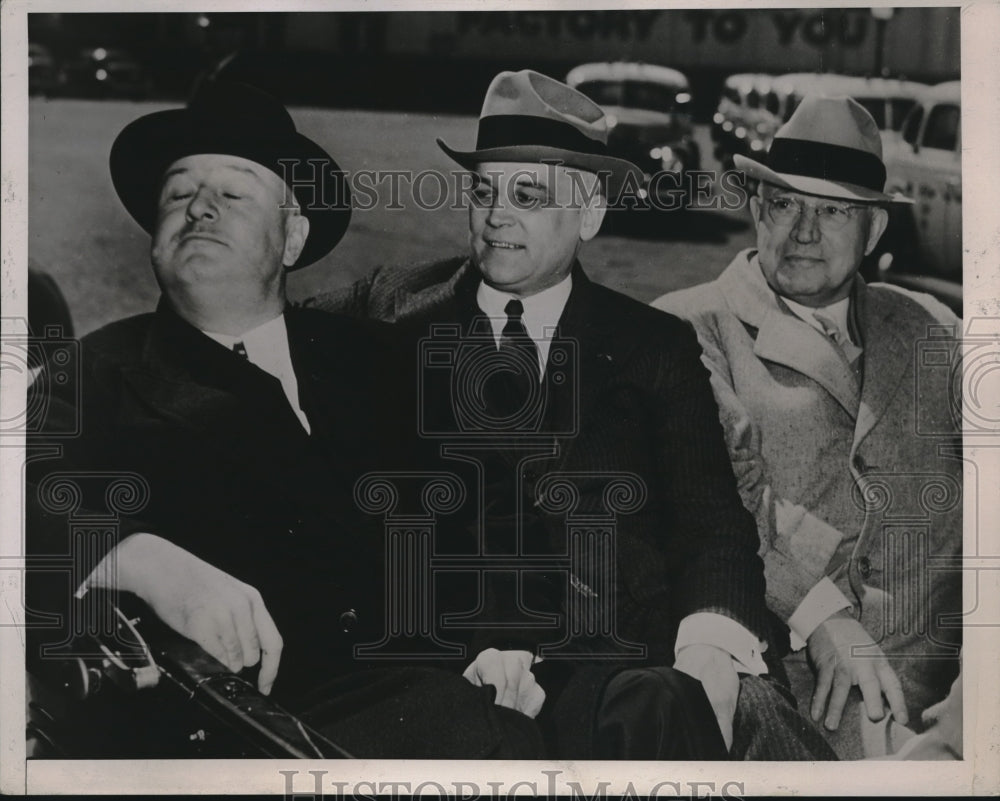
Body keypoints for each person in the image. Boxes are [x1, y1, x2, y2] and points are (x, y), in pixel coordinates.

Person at [310, 69, 836, 760]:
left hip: (631, 674)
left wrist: (710, 642)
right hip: (448, 673)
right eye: (484, 190)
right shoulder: (388, 313)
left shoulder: (653, 346)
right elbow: (248, 337)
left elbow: (710, 519)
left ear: (589, 214)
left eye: (527, 195)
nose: (496, 214)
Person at [26, 80, 543, 759]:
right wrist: (137, 556)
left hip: (446, 690)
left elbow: (494, 513)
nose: (200, 207)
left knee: (644, 705)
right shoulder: (98, 368)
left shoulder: (379, 361)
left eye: (233, 193)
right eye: (178, 193)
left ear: (293, 235)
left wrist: (503, 636)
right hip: (246, 727)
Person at [652, 95, 962, 758]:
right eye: (784, 203)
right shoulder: (687, 330)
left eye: (833, 210)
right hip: (796, 701)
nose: (803, 232)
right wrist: (825, 612)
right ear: (755, 206)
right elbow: (726, 504)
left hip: (950, 701)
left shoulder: (934, 328)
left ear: (875, 231)